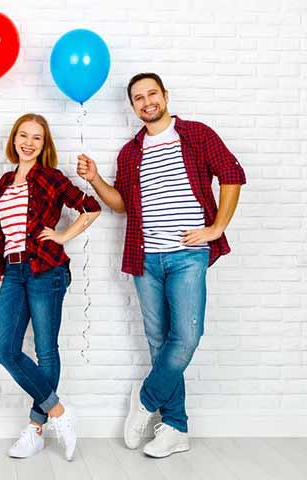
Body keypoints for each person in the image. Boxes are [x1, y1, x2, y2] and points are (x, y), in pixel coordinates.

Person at [77, 72, 246, 458]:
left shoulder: (197, 135)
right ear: (133, 106)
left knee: (186, 336)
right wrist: (96, 178)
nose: (147, 102)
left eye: (152, 93)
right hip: (146, 258)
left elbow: (232, 175)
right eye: (138, 98)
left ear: (165, 95)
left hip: (188, 255)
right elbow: (121, 205)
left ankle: (145, 399)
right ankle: (175, 427)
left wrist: (216, 227)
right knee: (160, 341)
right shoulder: (130, 152)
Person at [0, 113, 101, 460]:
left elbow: (90, 208)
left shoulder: (50, 177)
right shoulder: (4, 182)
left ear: (44, 144)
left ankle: (35, 428)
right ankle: (59, 412)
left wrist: (62, 235)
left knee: (46, 350)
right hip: (13, 272)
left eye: (36, 137)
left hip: (46, 270)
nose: (28, 142)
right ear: (14, 139)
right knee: (6, 351)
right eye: (23, 135)